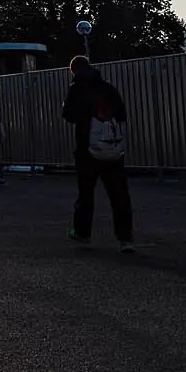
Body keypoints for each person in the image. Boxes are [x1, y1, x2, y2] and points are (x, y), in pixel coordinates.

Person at [62, 55, 133, 250]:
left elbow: (68, 114)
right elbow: (122, 114)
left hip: (87, 149)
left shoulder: (76, 88)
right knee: (119, 194)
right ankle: (125, 238)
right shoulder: (107, 88)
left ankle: (82, 233)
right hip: (111, 147)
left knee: (86, 194)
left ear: (74, 70)